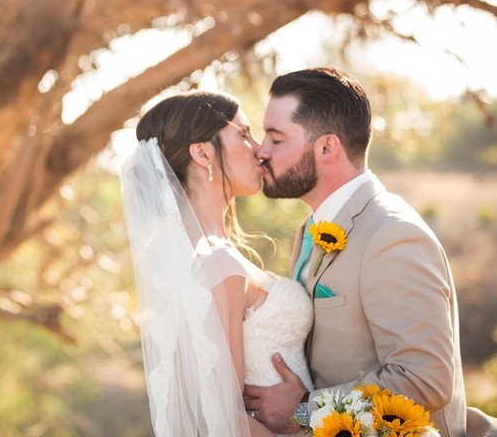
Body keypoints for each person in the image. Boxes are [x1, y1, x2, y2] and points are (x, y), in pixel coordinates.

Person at [243, 67, 497, 436]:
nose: (261, 152)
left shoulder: (392, 234)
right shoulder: (309, 230)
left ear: (327, 147)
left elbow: (425, 379)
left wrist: (302, 409)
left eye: (276, 139)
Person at [121, 90, 313, 436]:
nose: (258, 148)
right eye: (243, 134)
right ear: (203, 152)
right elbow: (226, 420)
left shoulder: (212, 253)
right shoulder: (218, 263)